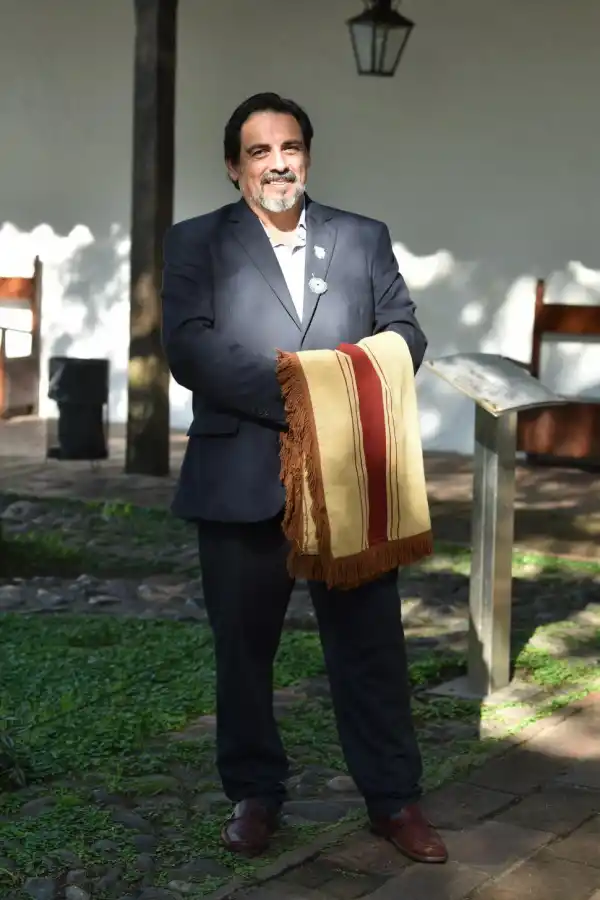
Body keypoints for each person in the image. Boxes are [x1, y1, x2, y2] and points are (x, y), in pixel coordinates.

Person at [161, 93, 448, 865]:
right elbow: (192, 350)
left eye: (290, 147)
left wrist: (342, 391)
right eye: (259, 151)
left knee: (372, 650)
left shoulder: (362, 238)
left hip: (348, 481)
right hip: (240, 476)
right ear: (233, 167)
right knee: (244, 652)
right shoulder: (196, 243)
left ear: (308, 156)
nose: (277, 162)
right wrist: (304, 394)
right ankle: (256, 795)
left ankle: (395, 801)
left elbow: (404, 330)